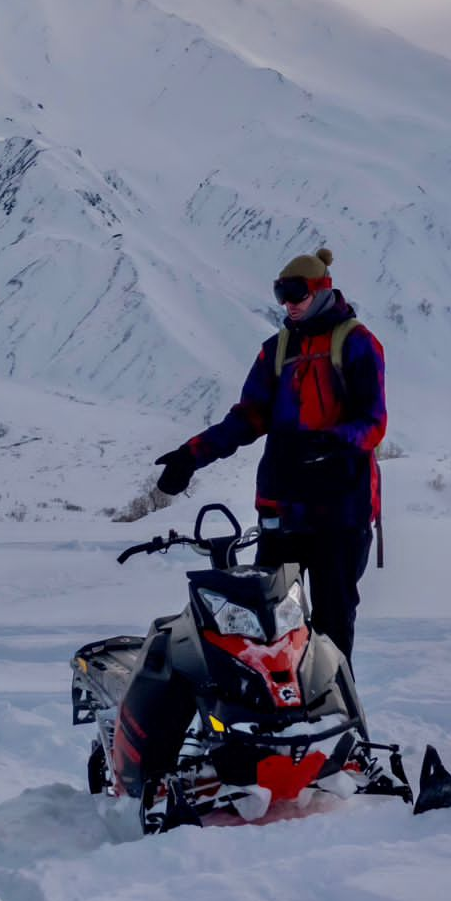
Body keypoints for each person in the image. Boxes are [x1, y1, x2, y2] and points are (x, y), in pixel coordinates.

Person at [152, 247, 386, 661]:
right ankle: (273, 720)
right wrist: (191, 456)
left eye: (296, 294)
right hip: (284, 510)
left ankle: (337, 717)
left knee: (333, 627)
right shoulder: (277, 351)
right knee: (270, 624)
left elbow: (373, 422)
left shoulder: (357, 344)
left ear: (321, 290)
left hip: (340, 514)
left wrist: (332, 442)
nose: (288, 305)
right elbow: (247, 418)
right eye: (281, 295)